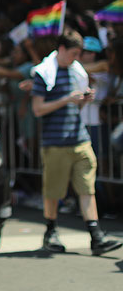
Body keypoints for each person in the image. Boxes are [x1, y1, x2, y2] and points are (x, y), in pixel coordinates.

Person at [31, 31, 122, 255]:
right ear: (61, 49)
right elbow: (37, 109)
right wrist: (66, 99)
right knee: (54, 191)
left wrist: (83, 100)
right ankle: (50, 232)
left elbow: (75, 107)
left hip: (79, 139)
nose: (76, 58)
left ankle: (96, 235)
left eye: (78, 54)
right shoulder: (44, 74)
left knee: (86, 188)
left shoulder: (77, 71)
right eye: (73, 53)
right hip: (55, 142)